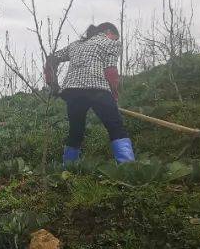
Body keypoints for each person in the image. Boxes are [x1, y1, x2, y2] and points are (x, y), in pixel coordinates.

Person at [44, 22, 135, 165]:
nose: (115, 40)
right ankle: (127, 166)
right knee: (115, 126)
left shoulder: (75, 45)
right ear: (108, 31)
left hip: (72, 92)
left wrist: (53, 83)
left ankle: (68, 168)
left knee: (76, 131)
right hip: (98, 89)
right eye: (115, 37)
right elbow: (110, 71)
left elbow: (51, 58)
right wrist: (114, 96)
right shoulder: (110, 42)